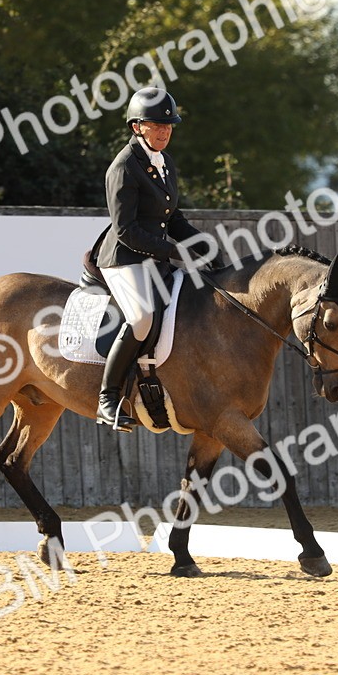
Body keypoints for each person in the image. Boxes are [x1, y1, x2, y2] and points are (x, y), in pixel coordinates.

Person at [91, 87, 213, 432]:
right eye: (157, 125)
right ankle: (107, 399)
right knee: (142, 318)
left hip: (154, 258)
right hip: (123, 259)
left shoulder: (165, 162)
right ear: (137, 127)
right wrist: (173, 252)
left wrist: (206, 247)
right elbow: (126, 230)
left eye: (168, 126)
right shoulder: (124, 167)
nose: (164, 131)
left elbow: (173, 219)